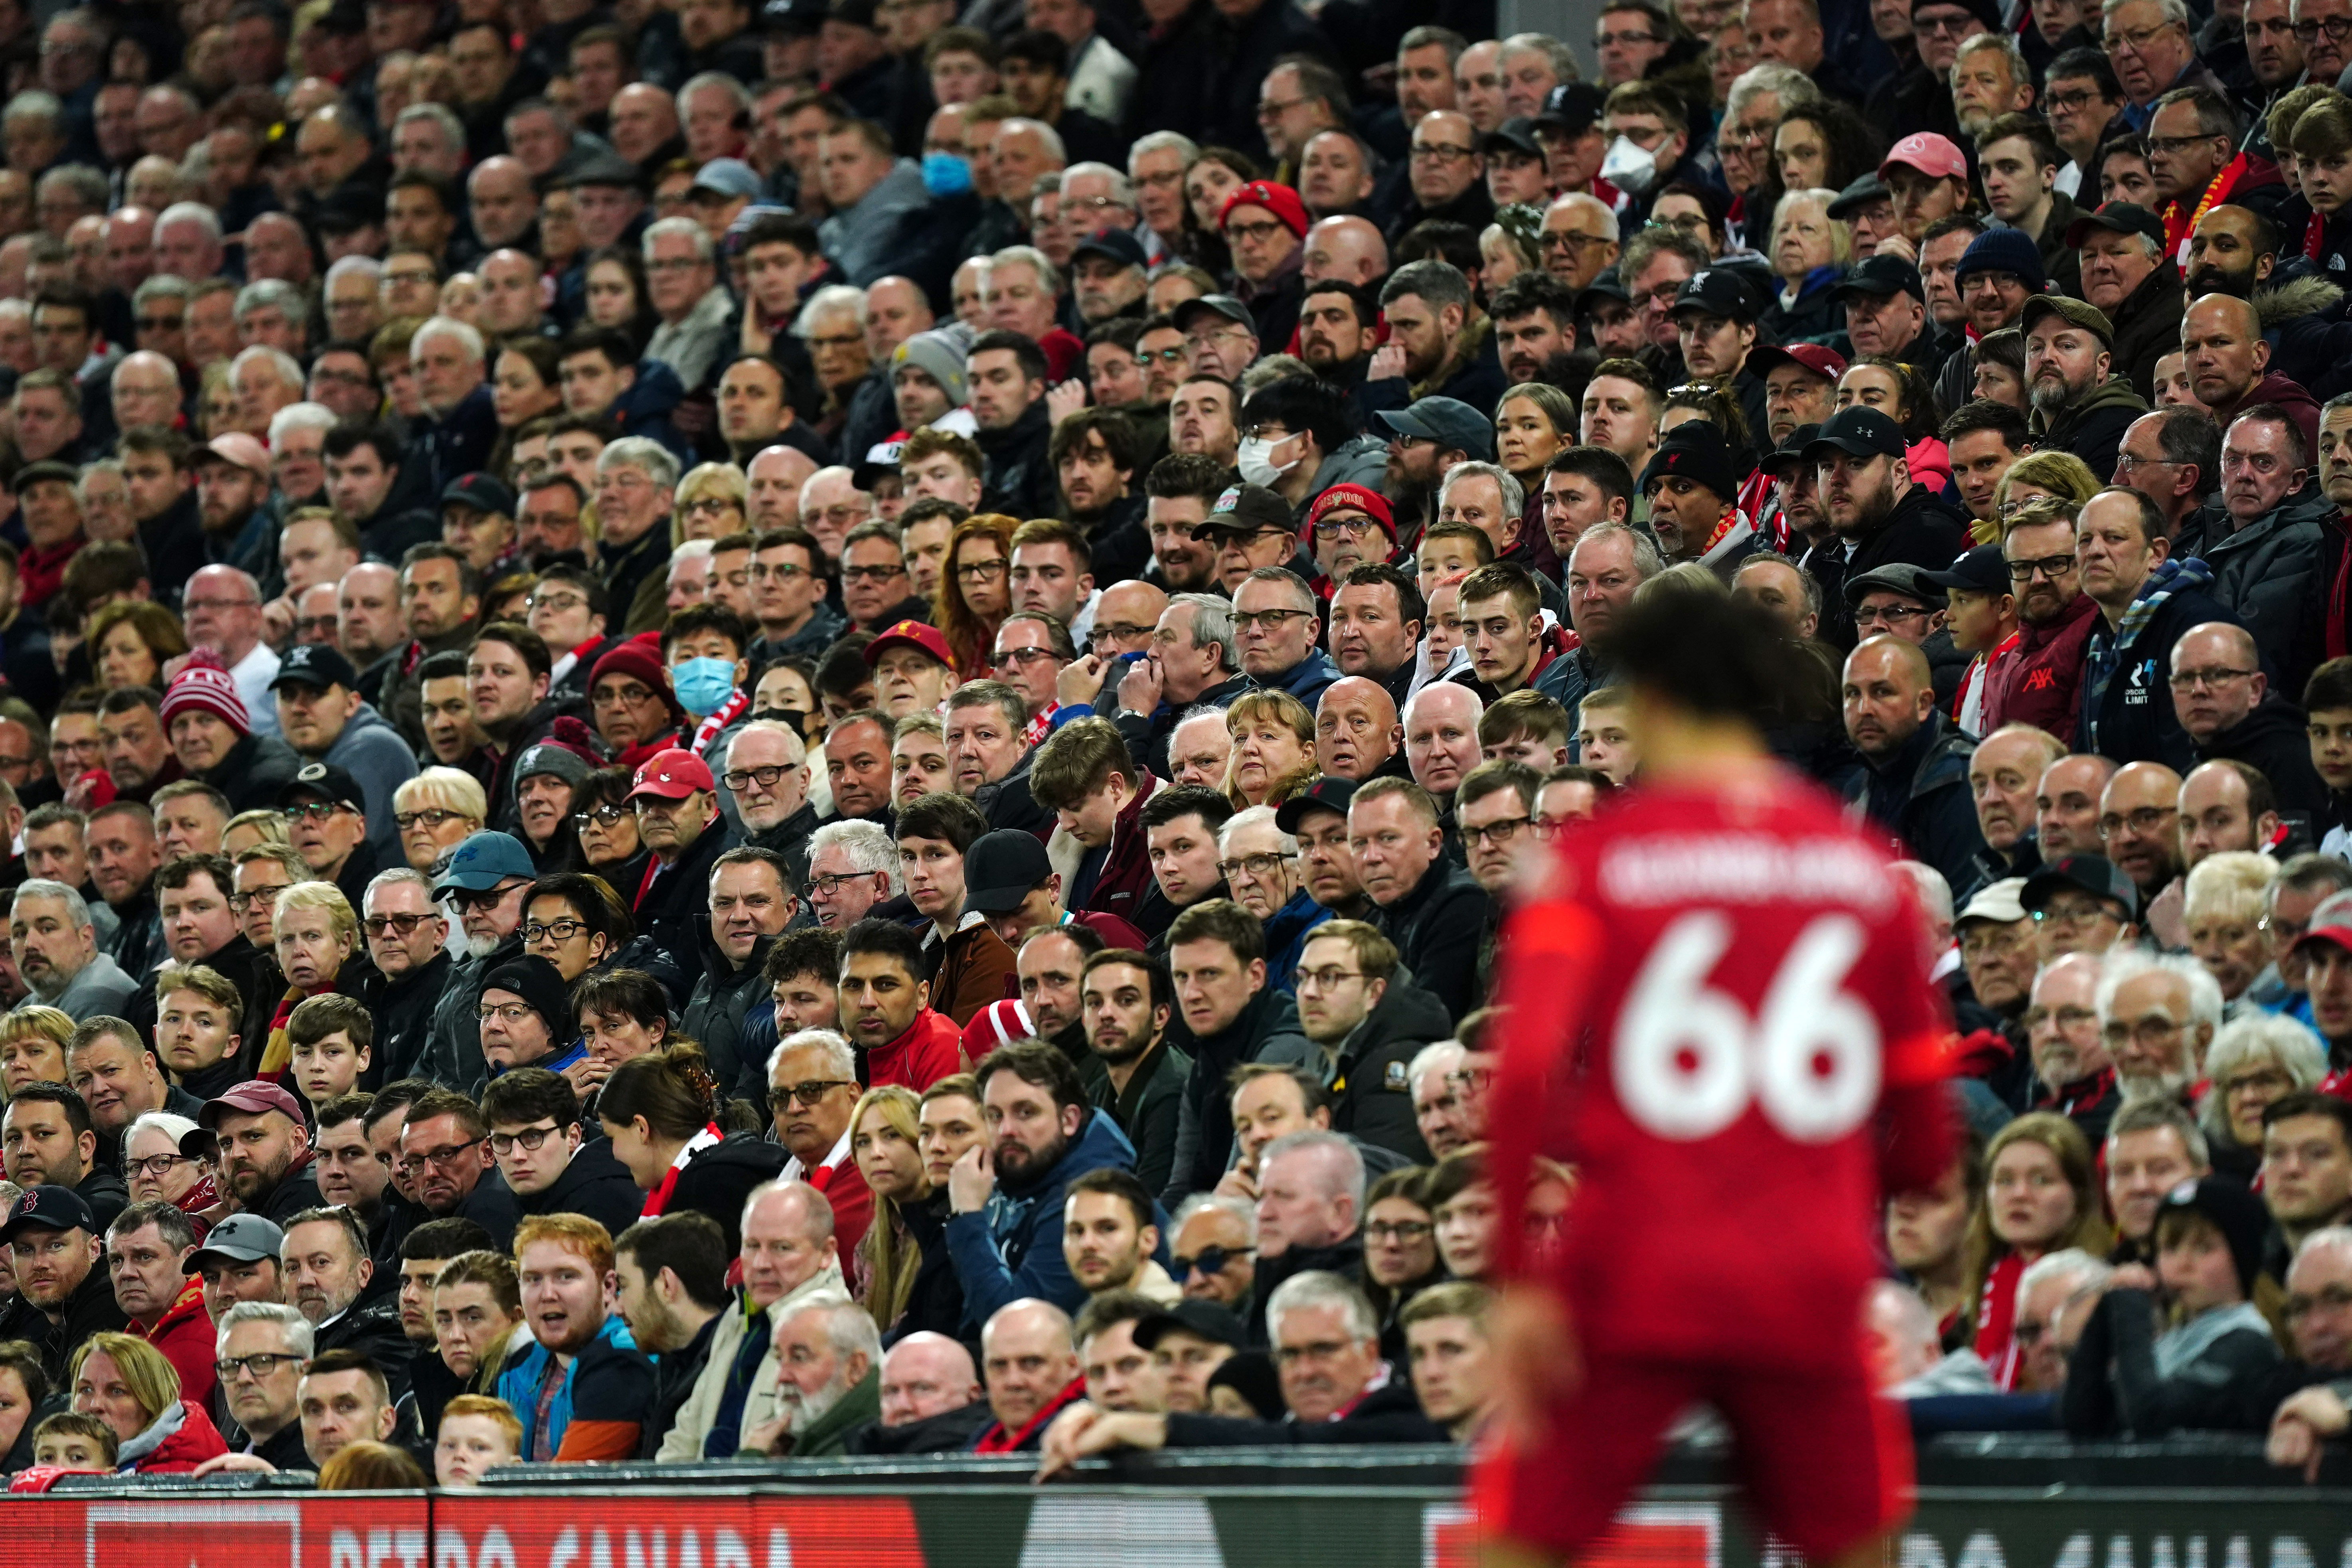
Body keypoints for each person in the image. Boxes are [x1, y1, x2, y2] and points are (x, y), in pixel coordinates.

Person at [1477, 585, 1955, 1566]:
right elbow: (1927, 1127)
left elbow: (1523, 1072)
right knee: (1857, 1541)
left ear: (1651, 699)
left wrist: (1517, 1278)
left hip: (1635, 1263)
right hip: (1807, 1267)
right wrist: (1842, 1192)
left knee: (1520, 1538)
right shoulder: (1862, 867)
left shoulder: (1597, 861)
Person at [944, 1041, 1151, 1329]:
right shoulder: (1013, 1176)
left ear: (1069, 1120)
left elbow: (1016, 1328)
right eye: (994, 1116)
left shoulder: (1091, 1201)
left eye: (1025, 1112)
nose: (1006, 1130)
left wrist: (967, 1216)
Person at [656, 1179, 847, 1461]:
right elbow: (685, 1435)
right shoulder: (738, 1315)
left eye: (781, 1248)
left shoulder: (835, 1333)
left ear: (826, 1252)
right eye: (752, 1246)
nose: (761, 1264)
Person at [494, 1214, 656, 1461]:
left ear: (609, 1287)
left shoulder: (625, 1361)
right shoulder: (519, 1363)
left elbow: (569, 1488)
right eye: (533, 1279)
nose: (547, 1294)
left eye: (566, 1276)